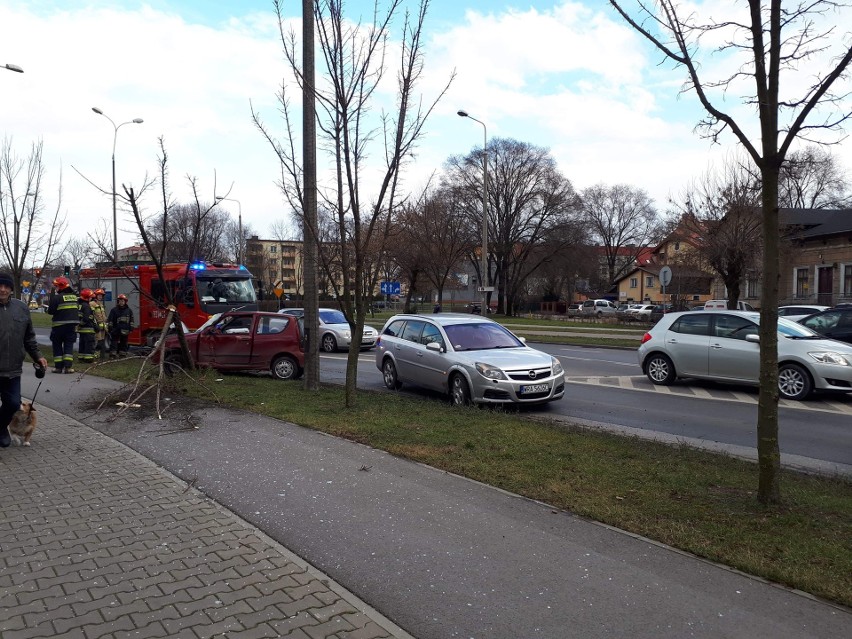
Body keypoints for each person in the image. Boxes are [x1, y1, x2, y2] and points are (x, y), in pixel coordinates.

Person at [0, 271, 48, 449]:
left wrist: (38, 356)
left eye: (6, 286)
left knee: (13, 404)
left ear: (11, 289)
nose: (3, 289)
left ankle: (1, 428)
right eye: (0, 286)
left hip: (13, 369)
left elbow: (29, 338)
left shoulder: (21, 308)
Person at [47, 276, 79, 373]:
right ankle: (68, 368)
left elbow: (50, 311)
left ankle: (58, 367)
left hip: (58, 327)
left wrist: (52, 297)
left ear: (61, 287)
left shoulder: (57, 298)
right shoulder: (74, 297)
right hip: (71, 327)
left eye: (56, 287)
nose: (56, 289)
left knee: (57, 346)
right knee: (68, 346)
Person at [76, 288, 97, 364]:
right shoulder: (87, 306)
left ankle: (81, 359)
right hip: (88, 329)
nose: (91, 298)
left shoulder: (80, 305)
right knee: (89, 344)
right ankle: (88, 359)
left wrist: (79, 326)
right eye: (91, 297)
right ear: (87, 297)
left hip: (82, 330)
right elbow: (86, 318)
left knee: (82, 344)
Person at [91, 288, 108, 359]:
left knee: (101, 343)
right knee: (97, 343)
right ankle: (95, 356)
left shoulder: (100, 305)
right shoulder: (92, 304)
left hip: (103, 327)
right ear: (95, 296)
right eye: (99, 295)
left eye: (101, 295)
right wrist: (95, 325)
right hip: (97, 327)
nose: (100, 297)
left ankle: (100, 357)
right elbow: (91, 316)